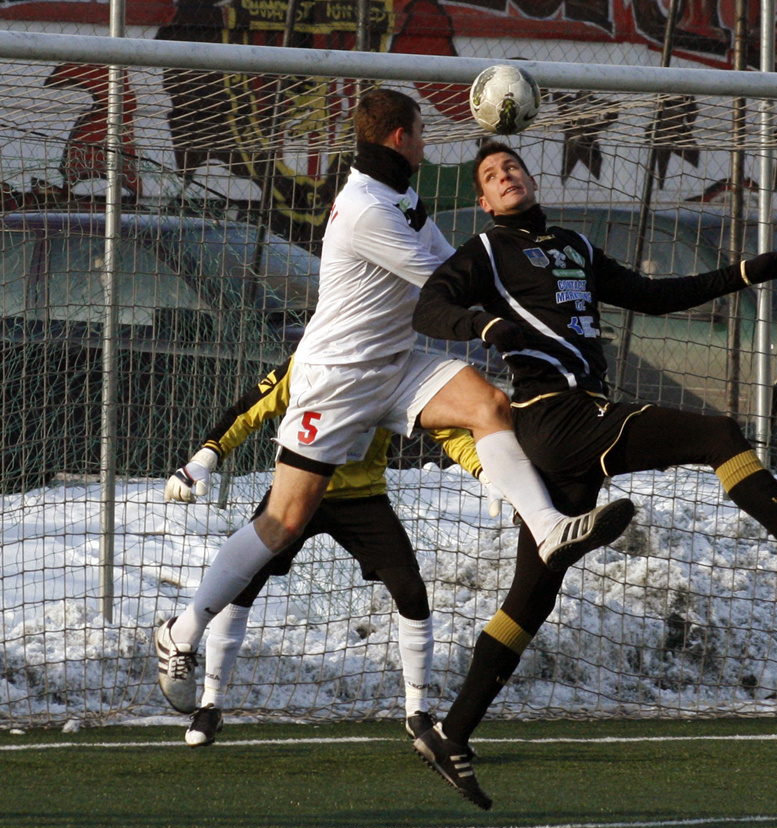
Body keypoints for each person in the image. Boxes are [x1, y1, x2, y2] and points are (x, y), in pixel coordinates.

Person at [409, 141, 777, 809]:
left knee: (534, 592)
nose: (505, 176)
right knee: (718, 433)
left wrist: (744, 273)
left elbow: (654, 296)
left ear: (528, 176)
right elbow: (426, 308)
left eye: (511, 166)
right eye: (491, 176)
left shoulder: (574, 243)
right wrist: (479, 320)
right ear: (486, 201)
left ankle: (450, 731)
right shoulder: (486, 252)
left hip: (573, 421)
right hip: (554, 415)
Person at [154, 91, 635, 722]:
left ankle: (548, 531)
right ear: (400, 138)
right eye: (423, 133)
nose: (430, 142)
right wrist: (518, 285)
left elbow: (454, 262)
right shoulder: (365, 207)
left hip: (396, 363)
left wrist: (510, 258)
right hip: (338, 379)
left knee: (487, 403)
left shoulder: (399, 193)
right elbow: (444, 280)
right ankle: (182, 633)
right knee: (282, 523)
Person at [163, 355, 485, 747]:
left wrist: (490, 470)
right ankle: (210, 705)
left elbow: (448, 432)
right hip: (294, 492)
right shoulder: (311, 357)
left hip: (363, 499)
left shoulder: (397, 367)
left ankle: (416, 712)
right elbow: (247, 410)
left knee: (411, 592)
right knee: (242, 586)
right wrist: (206, 455)